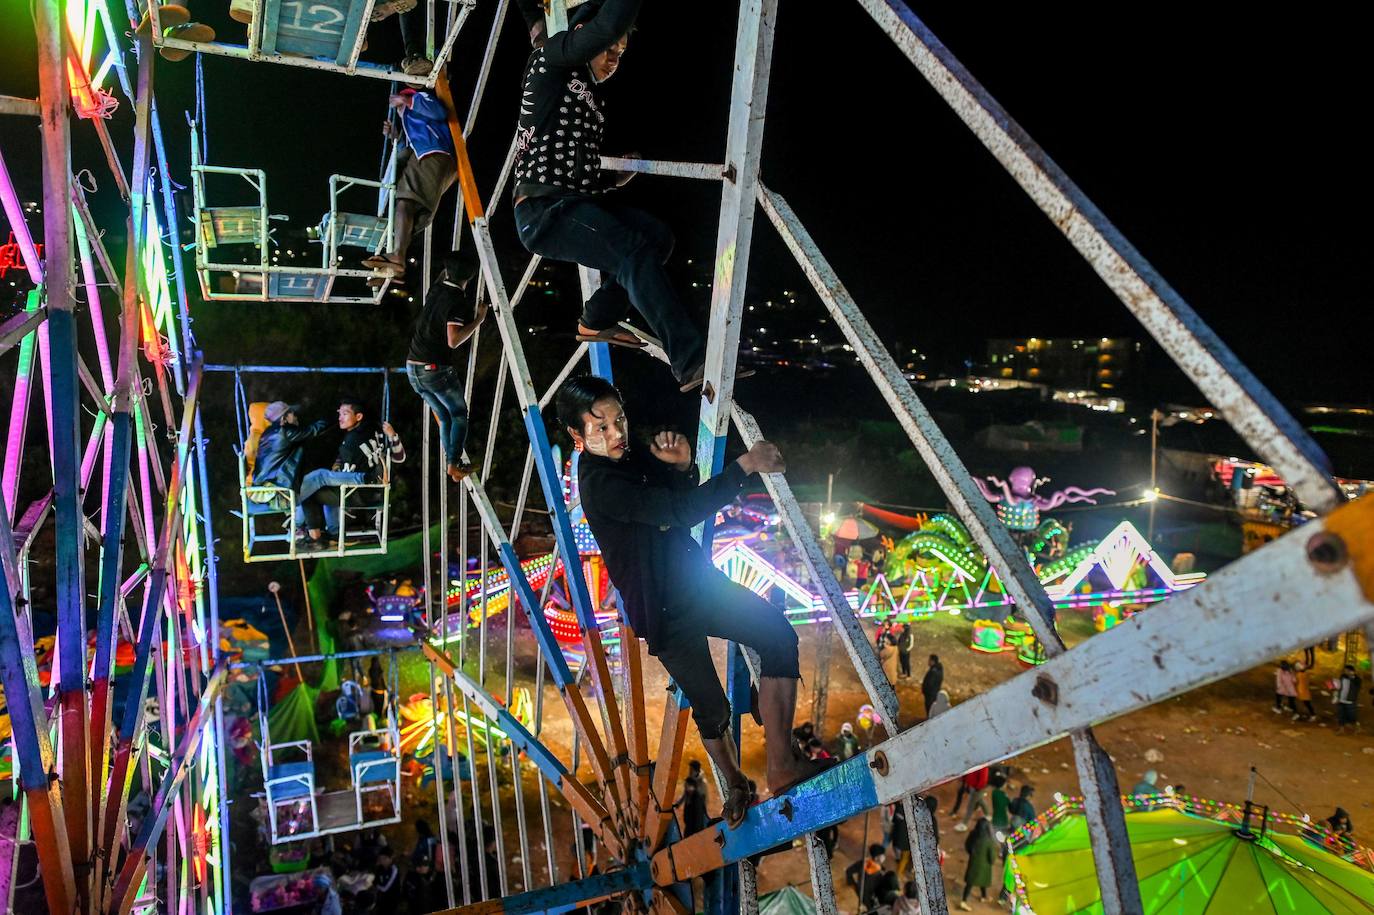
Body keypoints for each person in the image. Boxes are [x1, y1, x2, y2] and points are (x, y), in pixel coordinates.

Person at [559, 375, 823, 826]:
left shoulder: (627, 451)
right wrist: (745, 465)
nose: (617, 433)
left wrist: (682, 467)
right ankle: (736, 783)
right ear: (577, 436)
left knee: (777, 635)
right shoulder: (601, 484)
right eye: (600, 427)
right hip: (662, 609)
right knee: (712, 707)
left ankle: (782, 762)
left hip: (695, 583)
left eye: (619, 419)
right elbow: (678, 512)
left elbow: (676, 499)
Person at [513, 1, 714, 393]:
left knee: (657, 238)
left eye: (621, 53)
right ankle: (692, 361)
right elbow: (602, 25)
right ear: (583, 33)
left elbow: (576, 169)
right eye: (609, 48)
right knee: (631, 250)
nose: (614, 59)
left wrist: (613, 177)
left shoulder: (592, 98)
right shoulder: (550, 61)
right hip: (543, 210)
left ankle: (596, 319)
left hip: (573, 202)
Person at [406, 250, 487, 482]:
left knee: (443, 415)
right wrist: (479, 319)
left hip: (413, 369)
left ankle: (453, 464)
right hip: (433, 370)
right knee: (459, 415)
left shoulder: (435, 290)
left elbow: (444, 275)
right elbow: (453, 340)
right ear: (469, 278)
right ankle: (452, 464)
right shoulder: (457, 303)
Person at [365, 88, 456, 278]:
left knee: (405, 203)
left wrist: (407, 100)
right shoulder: (412, 124)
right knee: (411, 214)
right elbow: (407, 147)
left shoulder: (419, 98)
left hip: (433, 155)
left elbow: (439, 113)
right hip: (432, 157)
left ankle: (397, 257)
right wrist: (395, 136)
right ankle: (394, 266)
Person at [296, 400, 406, 549]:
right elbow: (399, 458)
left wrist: (336, 471)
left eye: (345, 413)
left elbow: (345, 476)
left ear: (359, 416)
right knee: (324, 490)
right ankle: (336, 534)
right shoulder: (374, 431)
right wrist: (393, 435)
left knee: (310, 492)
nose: (340, 417)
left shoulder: (350, 442)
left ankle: (305, 531)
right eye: (339, 414)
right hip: (376, 492)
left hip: (359, 493)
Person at [252, 402, 329, 500]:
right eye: (292, 413)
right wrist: (328, 416)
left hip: (263, 490)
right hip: (279, 493)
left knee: (310, 493)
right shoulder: (285, 433)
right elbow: (313, 430)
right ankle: (355, 479)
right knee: (321, 475)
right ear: (283, 418)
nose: (296, 417)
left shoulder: (267, 433)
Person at [958, 819, 996, 911]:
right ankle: (983, 897)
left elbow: (967, 845)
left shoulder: (973, 834)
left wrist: (971, 853)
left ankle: (965, 900)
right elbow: (992, 855)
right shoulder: (989, 840)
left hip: (973, 863)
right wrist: (991, 861)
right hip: (984, 866)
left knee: (970, 883)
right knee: (983, 880)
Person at [845, 844, 887, 912]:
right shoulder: (879, 875)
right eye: (882, 855)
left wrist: (853, 884)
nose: (884, 857)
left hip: (861, 891)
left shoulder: (863, 863)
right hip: (869, 897)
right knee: (871, 910)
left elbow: (848, 871)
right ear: (876, 858)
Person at [676, 761, 709, 837]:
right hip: (689, 808)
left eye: (692, 769)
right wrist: (679, 803)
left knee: (698, 828)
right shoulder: (688, 781)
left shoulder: (701, 782)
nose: (690, 771)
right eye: (690, 769)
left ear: (696, 770)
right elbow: (685, 794)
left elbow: (704, 797)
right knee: (688, 827)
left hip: (697, 809)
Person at [953, 767, 990, 832]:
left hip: (977, 788)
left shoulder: (983, 766)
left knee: (970, 806)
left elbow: (983, 779)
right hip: (973, 786)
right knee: (980, 800)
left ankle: (964, 824)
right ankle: (987, 815)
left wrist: (978, 788)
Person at [1334, 664, 1361, 734]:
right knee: (1341, 716)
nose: (1346, 672)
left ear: (1352, 671)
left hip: (1350, 701)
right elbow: (1339, 686)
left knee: (1352, 716)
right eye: (1345, 670)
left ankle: (1357, 728)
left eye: (1347, 670)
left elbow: (1357, 688)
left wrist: (1352, 677)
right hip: (1341, 700)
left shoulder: (1357, 680)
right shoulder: (1342, 677)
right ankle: (1341, 729)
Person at [890, 801, 911, 880]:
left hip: (897, 839)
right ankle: (898, 875)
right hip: (906, 842)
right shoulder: (911, 812)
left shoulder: (898, 808)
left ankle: (899, 870)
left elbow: (894, 822)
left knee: (899, 855)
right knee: (904, 858)